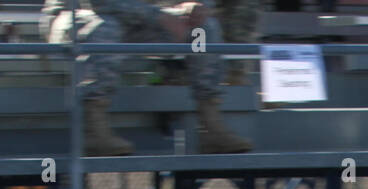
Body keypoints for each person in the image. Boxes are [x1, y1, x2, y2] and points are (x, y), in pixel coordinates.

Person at [41, 0, 252, 155]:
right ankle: (93, 131)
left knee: (204, 28)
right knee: (104, 26)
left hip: (133, 18)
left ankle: (211, 128)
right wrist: (159, 15)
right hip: (74, 15)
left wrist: (192, 8)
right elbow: (101, 4)